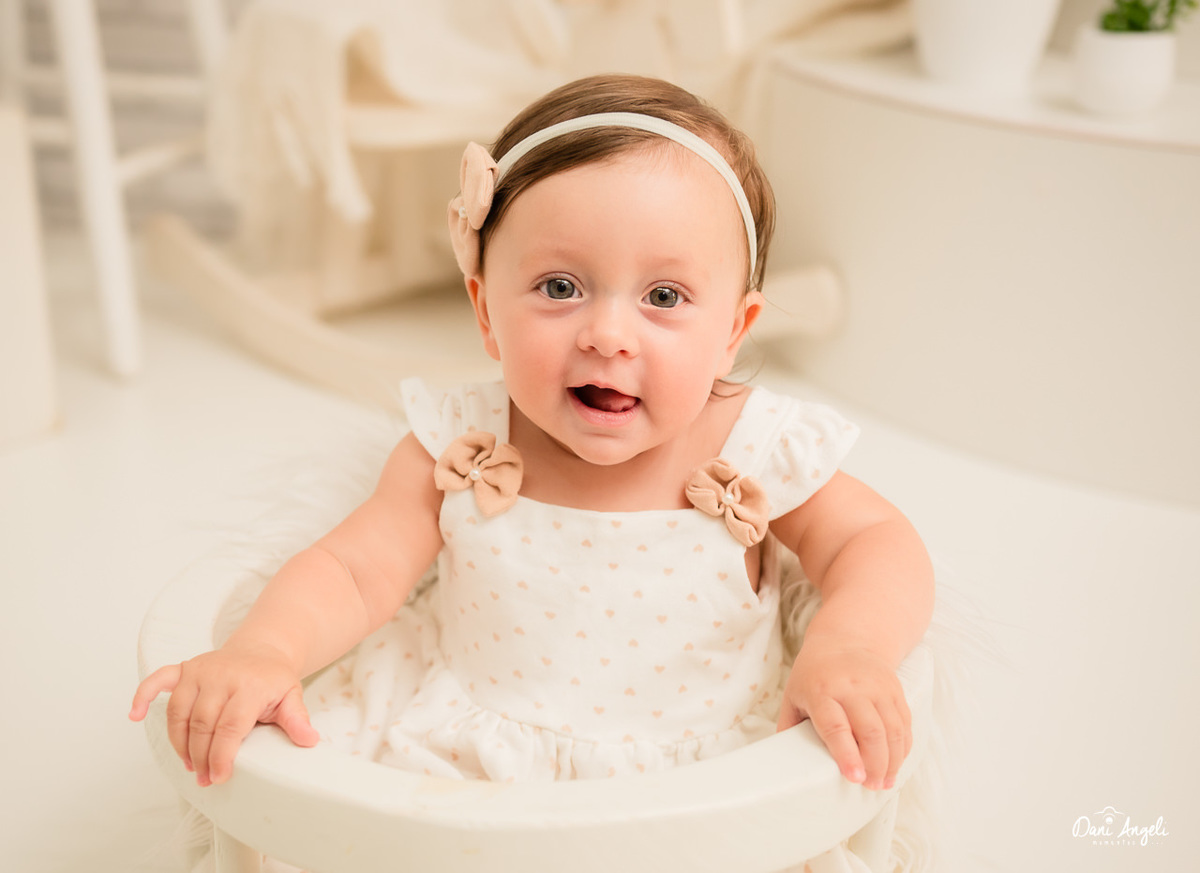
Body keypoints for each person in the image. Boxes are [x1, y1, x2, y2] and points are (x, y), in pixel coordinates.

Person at [131, 74, 933, 819]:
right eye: (560, 287)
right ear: (486, 310)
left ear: (733, 330)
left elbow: (872, 540)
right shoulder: (461, 443)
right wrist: (266, 648)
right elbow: (352, 568)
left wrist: (849, 646)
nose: (608, 334)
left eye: (663, 295)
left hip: (698, 774)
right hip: (465, 756)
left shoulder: (754, 447)